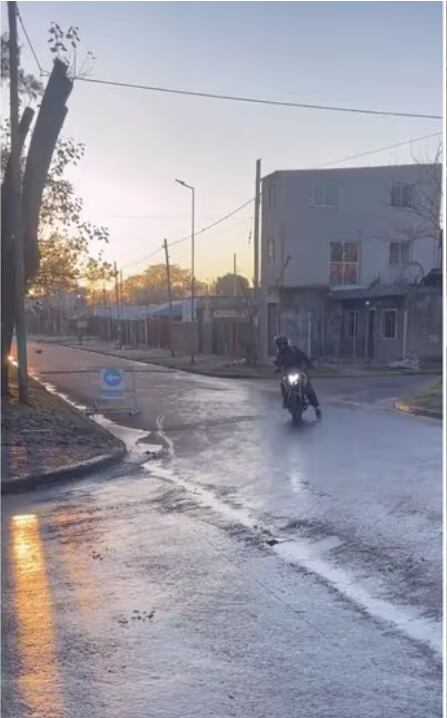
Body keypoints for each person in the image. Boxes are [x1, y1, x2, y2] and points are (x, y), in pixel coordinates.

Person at [273, 334, 322, 419]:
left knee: (308, 387)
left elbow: (304, 357)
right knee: (283, 384)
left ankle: (317, 408)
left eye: (283, 344)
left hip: (299, 372)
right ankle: (285, 399)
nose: (282, 346)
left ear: (287, 343)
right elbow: (278, 364)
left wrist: (310, 364)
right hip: (288, 374)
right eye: (280, 344)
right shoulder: (280, 355)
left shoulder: (294, 350)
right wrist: (277, 369)